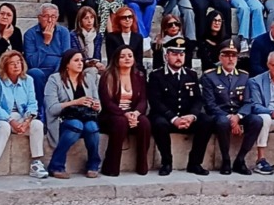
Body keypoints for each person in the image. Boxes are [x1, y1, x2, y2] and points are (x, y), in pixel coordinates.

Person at [0, 50, 49, 181]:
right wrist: (11, 121)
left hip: (21, 116)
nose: (16, 66)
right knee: (4, 127)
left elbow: (32, 104)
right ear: (5, 66)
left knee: (37, 124)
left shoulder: (28, 80)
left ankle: (36, 163)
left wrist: (27, 121)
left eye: (18, 62)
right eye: (12, 63)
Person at [199, 40, 263, 175]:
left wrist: (238, 117)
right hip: (220, 114)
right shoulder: (210, 76)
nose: (230, 59)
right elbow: (210, 104)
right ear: (220, 57)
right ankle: (226, 160)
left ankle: (240, 160)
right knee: (223, 122)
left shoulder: (244, 76)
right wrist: (230, 118)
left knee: (257, 120)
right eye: (227, 55)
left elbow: (248, 102)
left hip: (238, 114)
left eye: (234, 55)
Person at [149, 37, 209, 176]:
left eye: (181, 54)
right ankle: (166, 162)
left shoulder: (191, 74)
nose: (178, 58)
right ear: (166, 56)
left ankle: (195, 163)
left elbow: (198, 99)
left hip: (186, 117)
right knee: (159, 123)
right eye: (174, 54)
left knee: (206, 121)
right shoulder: (156, 75)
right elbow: (155, 102)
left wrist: (192, 116)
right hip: (166, 117)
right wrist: (173, 118)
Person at [44, 49, 103, 178]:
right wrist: (75, 102)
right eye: (76, 60)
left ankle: (93, 164)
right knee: (76, 125)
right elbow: (52, 108)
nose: (80, 63)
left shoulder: (88, 78)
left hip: (86, 116)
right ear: (67, 64)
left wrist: (97, 106)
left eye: (82, 60)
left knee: (92, 127)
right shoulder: (55, 79)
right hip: (63, 118)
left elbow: (97, 102)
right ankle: (56, 165)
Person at [99, 46, 152, 176]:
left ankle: (142, 164)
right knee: (121, 122)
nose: (127, 59)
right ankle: (111, 167)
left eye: (130, 56)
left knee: (144, 122)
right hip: (111, 115)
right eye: (122, 57)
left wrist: (136, 113)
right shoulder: (107, 76)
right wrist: (125, 114)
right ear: (116, 60)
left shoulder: (139, 76)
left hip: (132, 113)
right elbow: (107, 103)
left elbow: (143, 100)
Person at [24, 3, 72, 102]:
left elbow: (66, 57)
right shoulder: (30, 34)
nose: (50, 20)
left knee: (61, 73)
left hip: (58, 68)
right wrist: (45, 42)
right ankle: (41, 105)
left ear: (57, 18)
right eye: (46, 16)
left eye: (53, 17)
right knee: (34, 73)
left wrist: (56, 72)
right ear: (39, 18)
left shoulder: (64, 32)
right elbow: (32, 63)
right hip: (40, 69)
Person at [105, 6, 147, 71]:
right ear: (118, 20)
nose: (127, 19)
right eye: (124, 17)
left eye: (130, 17)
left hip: (134, 71)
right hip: (116, 70)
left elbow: (139, 60)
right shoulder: (111, 37)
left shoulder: (138, 37)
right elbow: (111, 59)